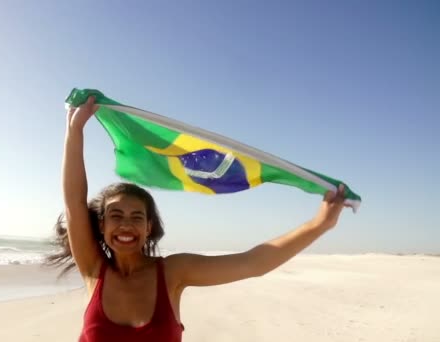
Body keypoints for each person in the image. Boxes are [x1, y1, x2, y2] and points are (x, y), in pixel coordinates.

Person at [45, 96, 349, 342]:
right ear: (102, 225)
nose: (126, 224)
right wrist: (75, 131)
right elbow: (74, 203)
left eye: (137, 217)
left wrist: (319, 224)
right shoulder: (94, 271)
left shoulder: (174, 272)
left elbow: (254, 263)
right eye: (116, 215)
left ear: (149, 227)